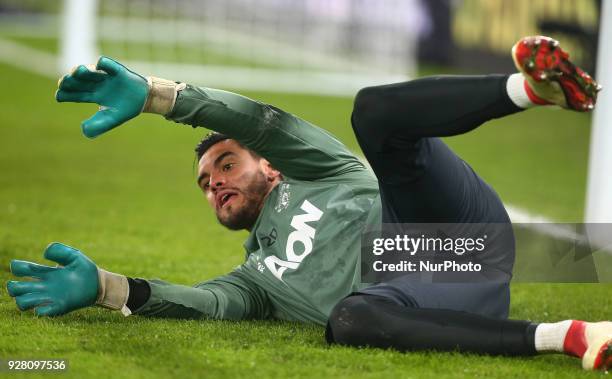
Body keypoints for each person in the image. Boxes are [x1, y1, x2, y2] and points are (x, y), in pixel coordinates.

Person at [6, 36, 610, 371]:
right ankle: (568, 336)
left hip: (451, 230)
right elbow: (206, 302)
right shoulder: (256, 282)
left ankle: (534, 88)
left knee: (373, 110)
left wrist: (159, 97)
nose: (214, 182)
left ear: (267, 164)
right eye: (205, 182)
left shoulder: (316, 166)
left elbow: (257, 120)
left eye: (226, 164)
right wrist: (108, 289)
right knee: (348, 321)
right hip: (435, 296)